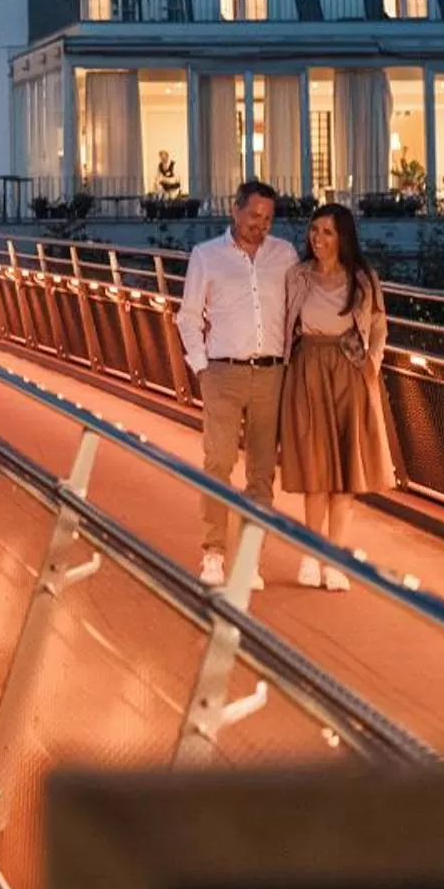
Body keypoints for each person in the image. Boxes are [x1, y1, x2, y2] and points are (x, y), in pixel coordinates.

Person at [174, 179, 300, 588]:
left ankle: (250, 559)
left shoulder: (284, 255)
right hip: (223, 372)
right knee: (218, 462)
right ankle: (213, 553)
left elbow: (300, 310)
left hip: (271, 373)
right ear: (235, 210)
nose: (259, 225)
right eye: (253, 216)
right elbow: (188, 316)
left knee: (262, 472)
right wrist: (202, 368)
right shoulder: (207, 256)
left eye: (267, 218)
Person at [279, 203, 393, 592]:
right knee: (316, 472)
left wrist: (372, 365)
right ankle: (310, 555)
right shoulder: (297, 275)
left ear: (342, 237)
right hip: (308, 367)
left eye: (327, 232)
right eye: (314, 231)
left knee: (344, 474)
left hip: (348, 368)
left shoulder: (362, 279)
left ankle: (334, 558)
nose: (318, 239)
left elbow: (379, 326)